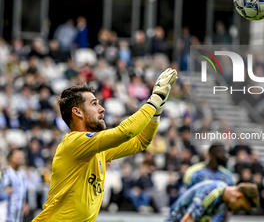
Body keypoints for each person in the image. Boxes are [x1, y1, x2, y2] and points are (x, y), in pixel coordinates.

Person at [32, 68, 177, 221]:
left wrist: (158, 109)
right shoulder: (73, 142)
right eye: (94, 104)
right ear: (78, 112)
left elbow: (140, 142)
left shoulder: (96, 150)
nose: (102, 109)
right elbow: (125, 132)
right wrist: (155, 98)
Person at [164, 181, 259, 222]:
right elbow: (187, 220)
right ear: (239, 196)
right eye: (241, 207)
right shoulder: (212, 193)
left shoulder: (223, 199)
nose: (239, 211)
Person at [2, 149, 29, 222]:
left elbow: (23, 192)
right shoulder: (5, 173)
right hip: (5, 215)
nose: (20, 158)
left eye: (21, 156)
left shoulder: (22, 175)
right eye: (17, 156)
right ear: (10, 158)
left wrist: (25, 203)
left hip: (18, 216)